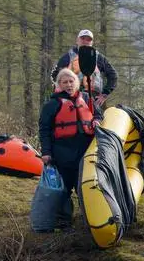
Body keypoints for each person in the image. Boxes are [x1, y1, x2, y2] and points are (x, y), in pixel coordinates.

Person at [38, 67, 99, 201]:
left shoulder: (87, 98)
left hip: (85, 151)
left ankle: (87, 218)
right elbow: (44, 130)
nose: (69, 85)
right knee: (64, 190)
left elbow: (98, 115)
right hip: (62, 153)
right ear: (59, 85)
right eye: (64, 82)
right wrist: (46, 152)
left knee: (84, 187)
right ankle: (63, 219)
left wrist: (97, 121)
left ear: (76, 82)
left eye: (71, 81)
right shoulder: (52, 104)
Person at [54, 29, 117, 107]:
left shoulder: (98, 57)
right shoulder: (67, 57)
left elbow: (113, 75)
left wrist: (104, 94)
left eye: (88, 39)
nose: (85, 41)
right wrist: (61, 93)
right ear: (77, 40)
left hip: (93, 99)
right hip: (71, 97)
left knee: (95, 118)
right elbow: (55, 75)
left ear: (92, 42)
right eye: (82, 38)